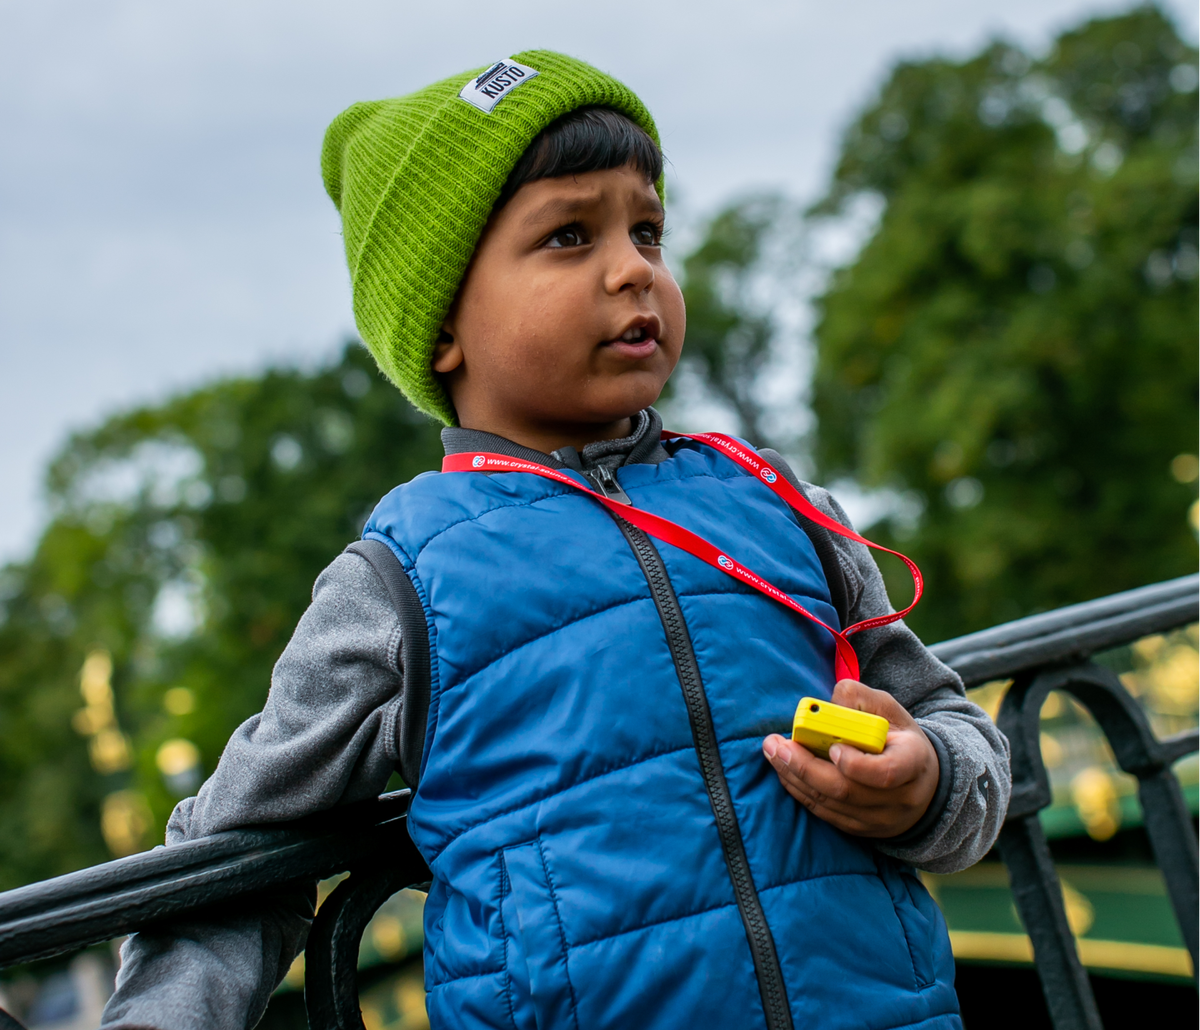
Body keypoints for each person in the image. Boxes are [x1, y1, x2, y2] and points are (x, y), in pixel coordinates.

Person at [101, 51, 1010, 1030]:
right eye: (571, 235)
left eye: (649, 230)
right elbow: (232, 855)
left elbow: (955, 731)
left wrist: (928, 785)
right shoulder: (405, 576)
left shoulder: (779, 500)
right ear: (444, 323)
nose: (634, 269)